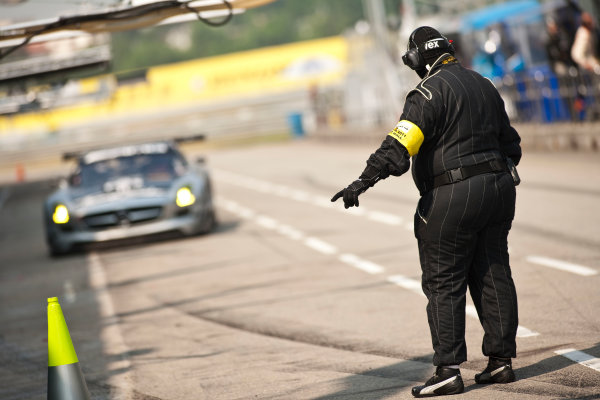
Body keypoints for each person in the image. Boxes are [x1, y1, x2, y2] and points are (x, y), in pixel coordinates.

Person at [331, 26, 522, 397]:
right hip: (499, 191)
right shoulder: (484, 84)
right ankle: (501, 363)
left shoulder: (427, 93)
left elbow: (398, 149)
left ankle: (448, 369)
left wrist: (361, 182)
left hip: (452, 196)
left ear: (417, 60)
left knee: (443, 282)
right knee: (493, 273)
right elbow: (511, 145)